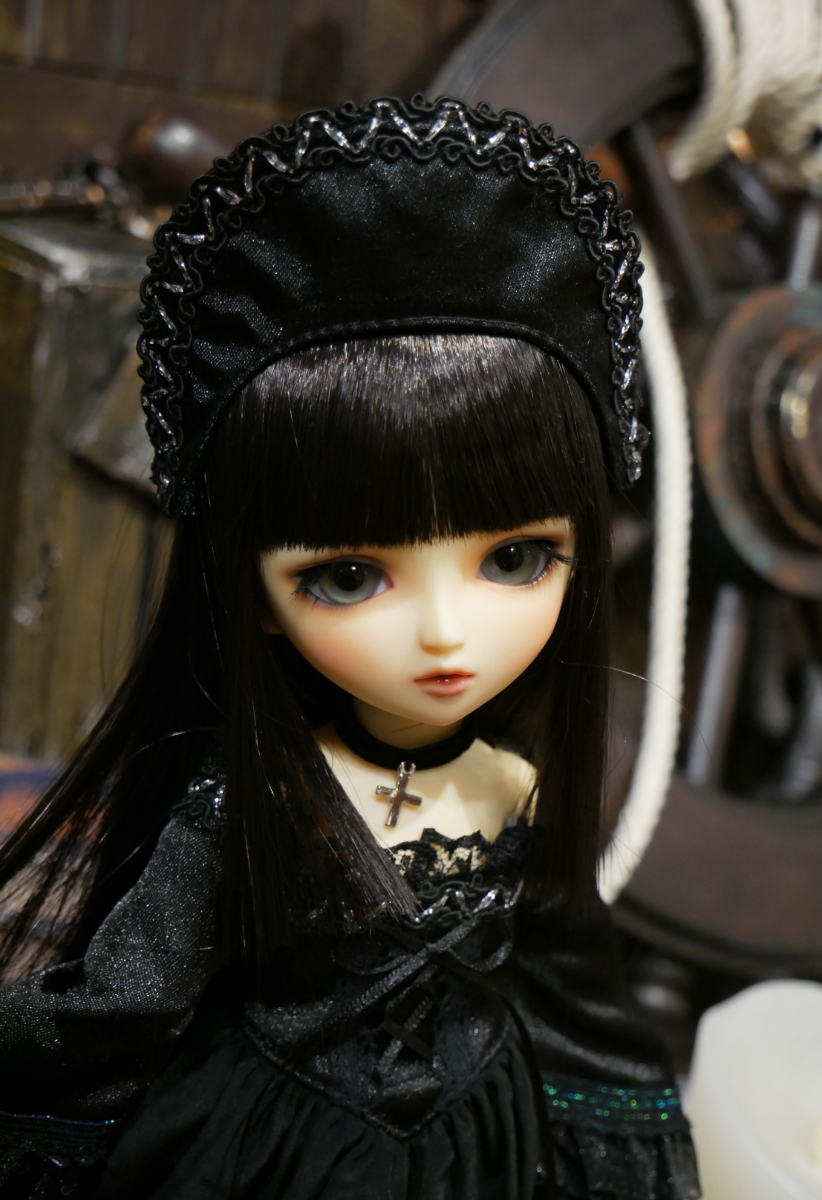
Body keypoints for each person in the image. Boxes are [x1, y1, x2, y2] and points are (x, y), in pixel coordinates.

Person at [0, 96, 700, 1199]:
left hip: (482, 1153)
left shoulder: (518, 785)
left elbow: (575, 999)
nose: (445, 633)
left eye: (517, 559)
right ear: (249, 592)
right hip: (276, 1158)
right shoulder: (249, 800)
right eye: (346, 577)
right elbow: (122, 1008)